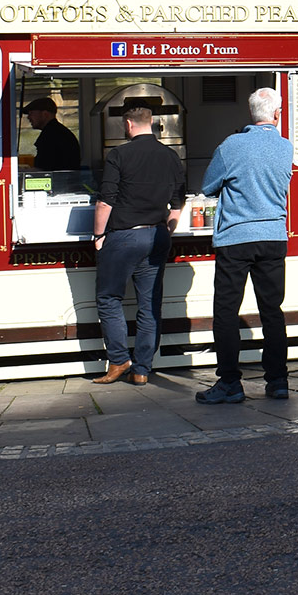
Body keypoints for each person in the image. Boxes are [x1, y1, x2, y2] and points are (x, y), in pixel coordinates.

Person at [197, 86, 294, 405]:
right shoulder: (285, 147)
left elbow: (209, 186)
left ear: (250, 114)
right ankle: (278, 381)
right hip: (273, 237)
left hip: (236, 238)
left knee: (225, 312)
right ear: (277, 115)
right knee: (272, 311)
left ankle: (229, 382)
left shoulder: (231, 146)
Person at [90, 105, 185, 385]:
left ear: (129, 124)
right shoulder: (170, 155)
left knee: (109, 299)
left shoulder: (119, 155)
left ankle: (119, 361)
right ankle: (143, 368)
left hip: (123, 236)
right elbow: (178, 204)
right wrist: (165, 231)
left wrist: (98, 236)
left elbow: (105, 200)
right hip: (156, 236)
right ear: (152, 122)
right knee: (150, 304)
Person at [20, 95, 81, 171]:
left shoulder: (52, 135)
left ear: (45, 114)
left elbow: (44, 168)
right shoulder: (56, 131)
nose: (28, 117)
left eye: (31, 113)